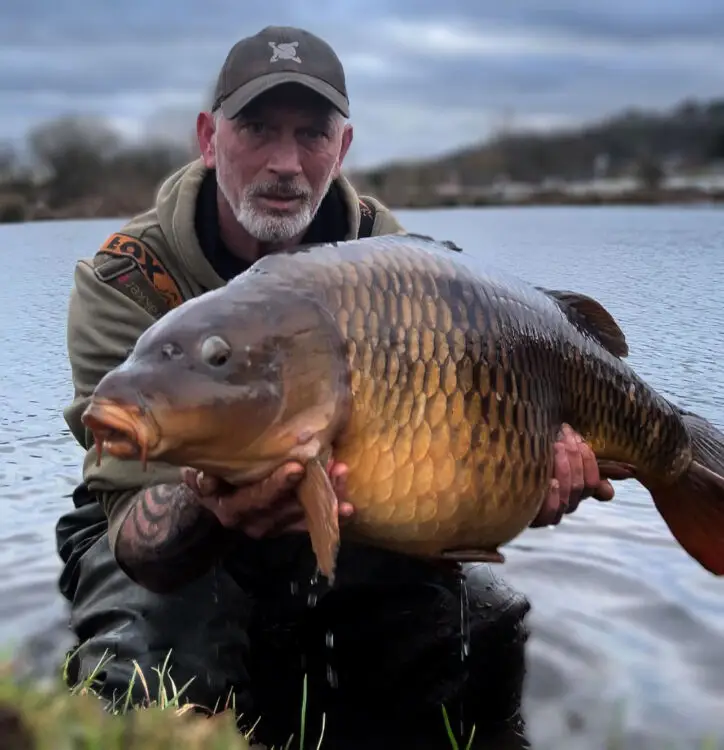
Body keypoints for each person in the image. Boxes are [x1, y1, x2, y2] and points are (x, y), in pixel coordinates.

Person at [54, 25, 616, 749]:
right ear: (208, 136)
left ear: (341, 148)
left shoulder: (394, 262)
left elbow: (448, 460)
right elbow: (133, 526)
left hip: (349, 499)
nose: (285, 163)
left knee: (478, 635)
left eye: (311, 134)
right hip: (162, 512)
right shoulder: (127, 278)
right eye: (256, 127)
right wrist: (213, 503)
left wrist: (514, 486)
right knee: (153, 661)